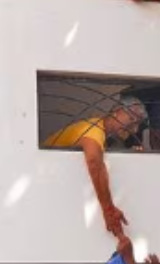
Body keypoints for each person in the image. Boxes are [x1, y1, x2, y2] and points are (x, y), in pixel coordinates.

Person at [44, 96, 148, 237]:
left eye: (138, 125)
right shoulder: (94, 131)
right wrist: (109, 210)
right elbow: (94, 162)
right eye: (131, 120)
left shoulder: (107, 135)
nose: (134, 130)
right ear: (116, 112)